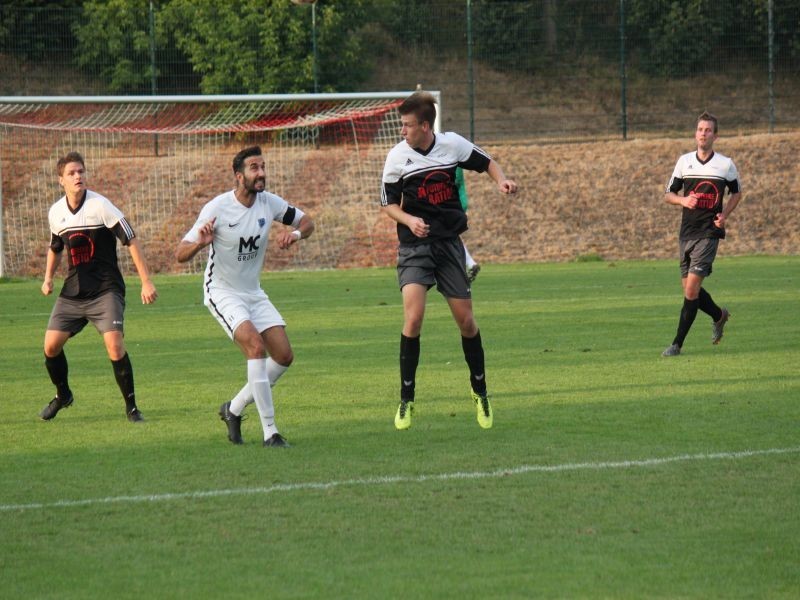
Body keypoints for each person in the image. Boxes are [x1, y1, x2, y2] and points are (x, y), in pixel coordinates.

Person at [380, 90, 517, 430]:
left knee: (466, 323)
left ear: (426, 126)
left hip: (449, 246)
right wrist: (409, 220)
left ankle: (480, 392)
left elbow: (486, 162)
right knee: (413, 318)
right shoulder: (397, 157)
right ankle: (406, 400)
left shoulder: (452, 145)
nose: (403, 131)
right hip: (414, 247)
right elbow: (387, 204)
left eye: (408, 126)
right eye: (402, 125)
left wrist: (502, 181)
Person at [175, 145, 314, 447]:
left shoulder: (269, 203)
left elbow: (307, 222)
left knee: (284, 356)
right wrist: (201, 242)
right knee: (255, 346)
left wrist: (295, 234)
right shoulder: (218, 208)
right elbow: (180, 254)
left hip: (253, 292)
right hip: (222, 291)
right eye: (254, 167)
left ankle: (234, 409)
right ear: (239, 176)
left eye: (262, 166)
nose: (261, 172)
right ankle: (270, 432)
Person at [40, 151, 158, 422]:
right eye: (71, 173)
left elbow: (131, 239)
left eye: (81, 171)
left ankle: (131, 408)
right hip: (73, 292)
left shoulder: (101, 206)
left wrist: (146, 281)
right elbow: (55, 246)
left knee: (115, 347)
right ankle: (63, 395)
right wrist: (48, 277)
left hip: (106, 289)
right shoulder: (56, 212)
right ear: (61, 180)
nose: (78, 176)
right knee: (50, 347)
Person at [662, 111, 742, 357]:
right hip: (686, 233)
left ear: (715, 136)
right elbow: (668, 194)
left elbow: (737, 192)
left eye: (708, 130)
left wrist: (725, 215)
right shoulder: (684, 161)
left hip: (709, 234)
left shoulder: (725, 164)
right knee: (690, 290)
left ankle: (676, 345)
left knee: (691, 291)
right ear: (695, 134)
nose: (703, 134)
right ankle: (719, 315)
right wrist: (684, 200)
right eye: (700, 129)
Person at [455, 167, 480, 282]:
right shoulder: (454, 158)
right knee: (452, 235)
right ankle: (469, 263)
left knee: (449, 236)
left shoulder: (448, 159)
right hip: (459, 200)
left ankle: (467, 264)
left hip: (455, 202)